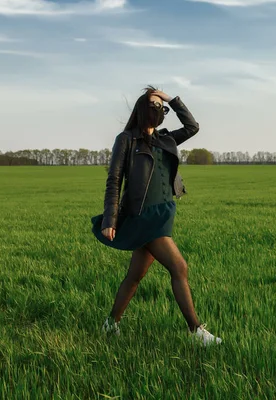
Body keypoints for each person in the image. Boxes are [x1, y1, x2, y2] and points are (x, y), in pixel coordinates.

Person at [91, 86, 222, 346]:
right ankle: (195, 331)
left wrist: (171, 98)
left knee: (136, 275)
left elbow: (192, 126)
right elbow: (114, 180)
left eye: (160, 107)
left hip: (163, 212)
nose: (158, 109)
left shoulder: (166, 139)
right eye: (152, 105)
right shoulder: (127, 139)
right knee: (179, 267)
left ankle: (110, 324)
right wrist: (110, 219)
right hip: (142, 216)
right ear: (141, 109)